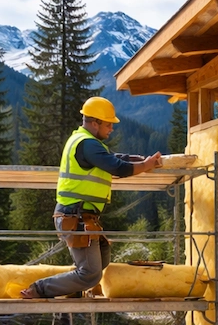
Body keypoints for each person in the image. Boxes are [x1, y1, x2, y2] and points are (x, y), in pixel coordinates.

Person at [21, 96, 163, 299]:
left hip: (82, 217)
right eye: (108, 124)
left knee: (101, 261)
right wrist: (146, 165)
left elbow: (115, 158)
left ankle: (69, 287)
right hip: (75, 216)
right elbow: (117, 167)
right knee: (90, 274)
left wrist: (140, 160)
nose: (111, 129)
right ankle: (39, 289)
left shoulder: (87, 143)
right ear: (95, 123)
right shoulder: (87, 144)